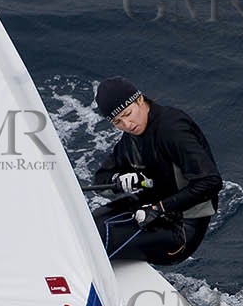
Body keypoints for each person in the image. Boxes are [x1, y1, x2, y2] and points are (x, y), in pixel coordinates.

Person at [90, 77, 222, 264]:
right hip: (146, 211)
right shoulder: (130, 139)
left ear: (140, 100)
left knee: (101, 237)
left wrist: (158, 208)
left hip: (180, 230)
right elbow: (100, 180)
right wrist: (118, 179)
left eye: (128, 114)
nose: (127, 125)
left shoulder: (173, 129)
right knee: (86, 225)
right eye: (118, 122)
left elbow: (211, 181)